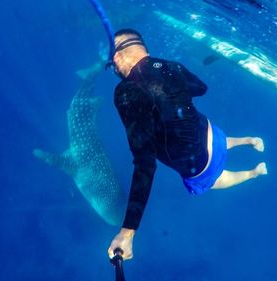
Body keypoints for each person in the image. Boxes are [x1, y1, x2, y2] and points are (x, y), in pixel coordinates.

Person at [107, 29, 268, 260]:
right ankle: (248, 141)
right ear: (145, 50)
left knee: (214, 181)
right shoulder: (172, 66)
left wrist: (128, 232)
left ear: (116, 58)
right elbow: (201, 88)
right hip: (209, 132)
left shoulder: (125, 92)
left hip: (201, 164)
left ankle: (254, 172)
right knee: (198, 130)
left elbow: (145, 163)